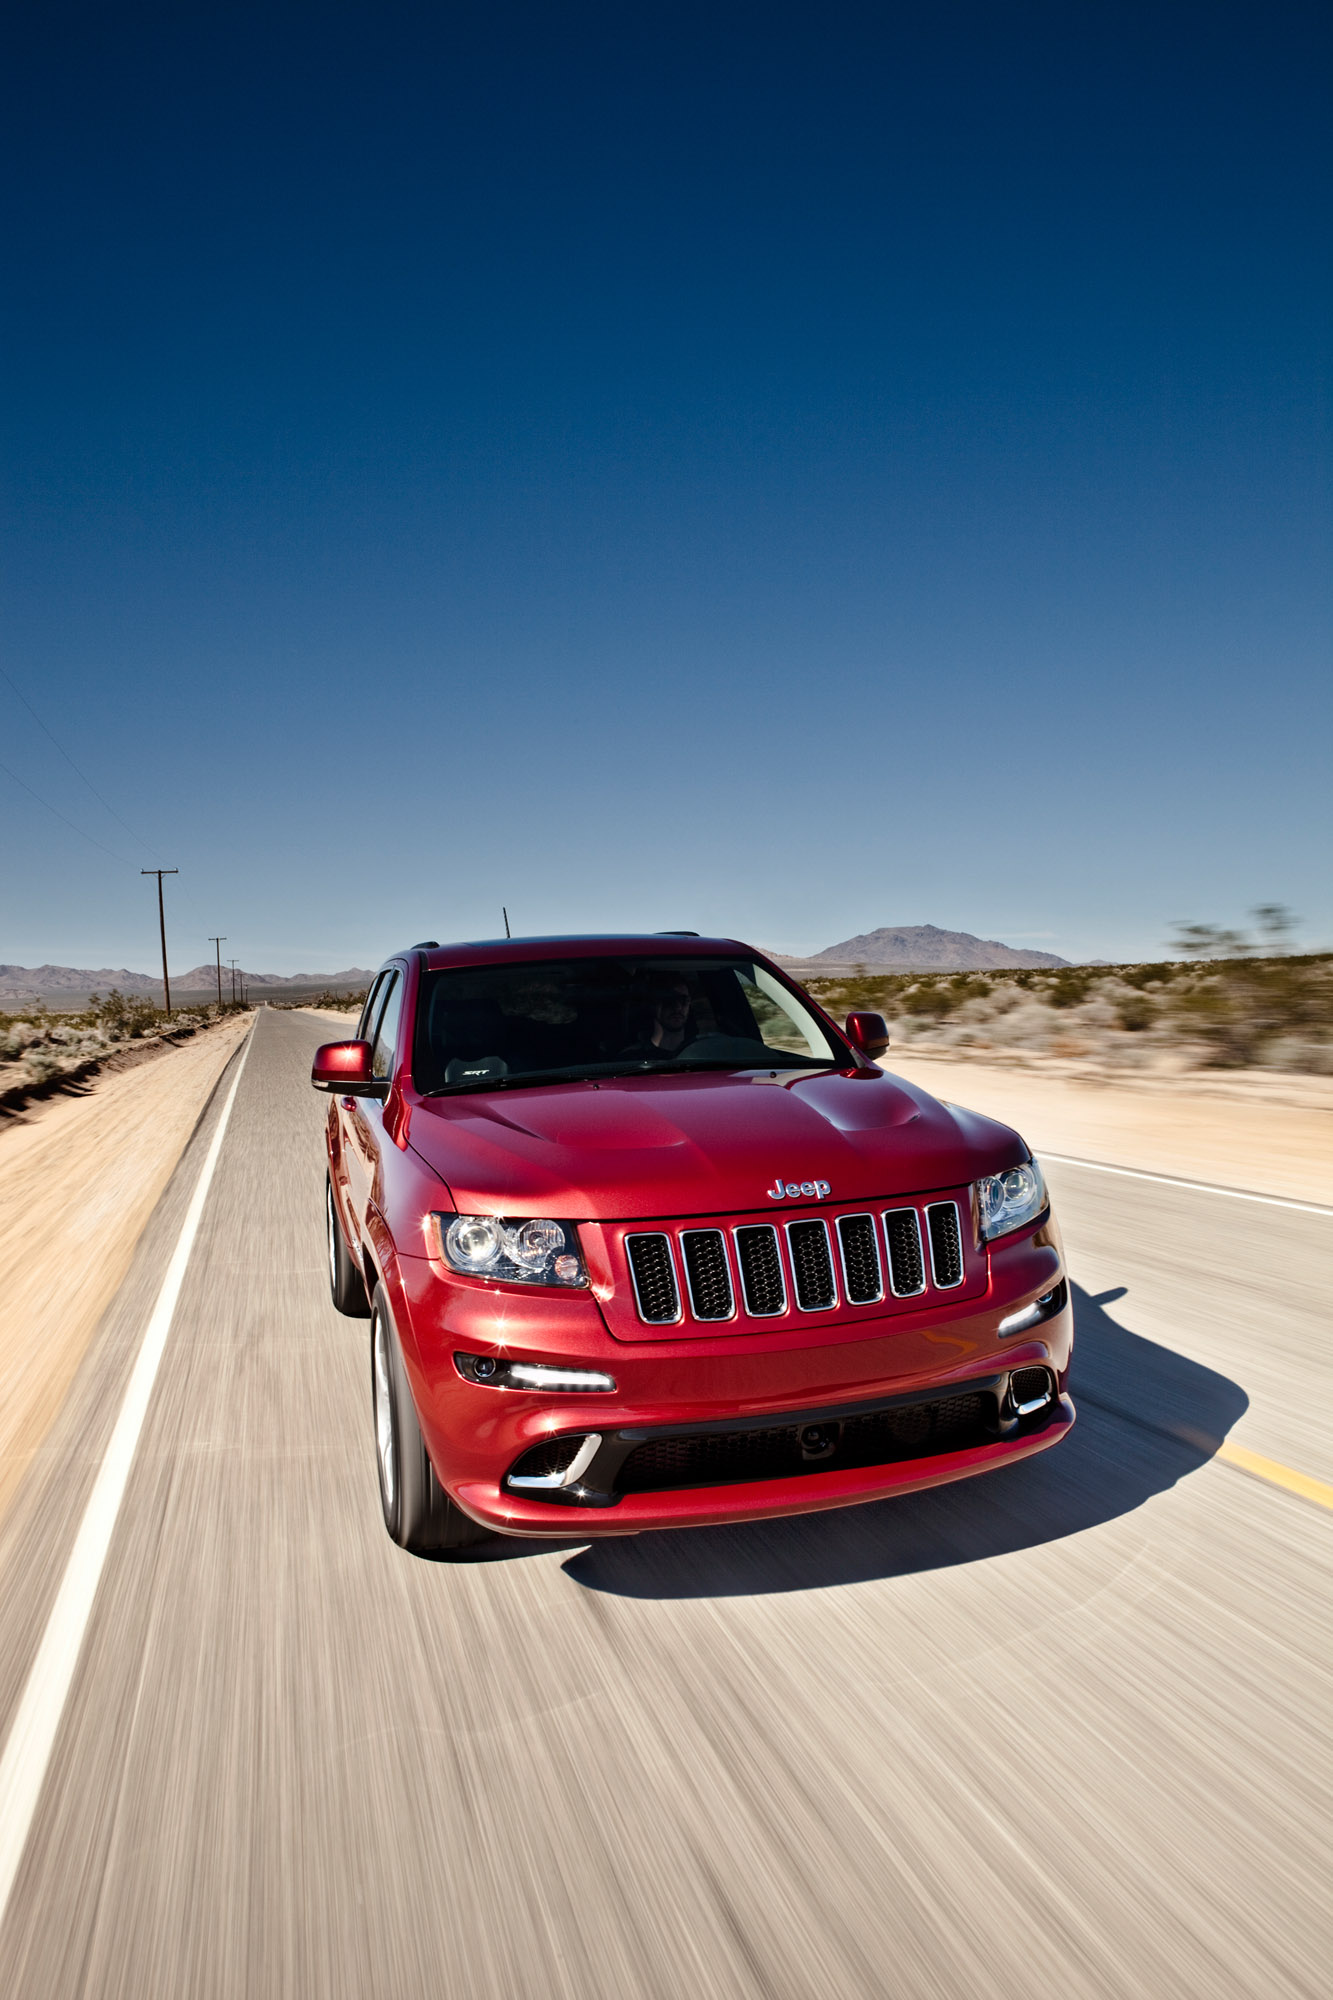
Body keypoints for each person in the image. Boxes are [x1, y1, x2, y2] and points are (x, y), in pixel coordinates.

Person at [621, 977, 694, 1058]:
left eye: (683, 1000)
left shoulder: (701, 1051)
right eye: (669, 1000)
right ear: (653, 1004)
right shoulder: (631, 1057)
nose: (677, 1007)